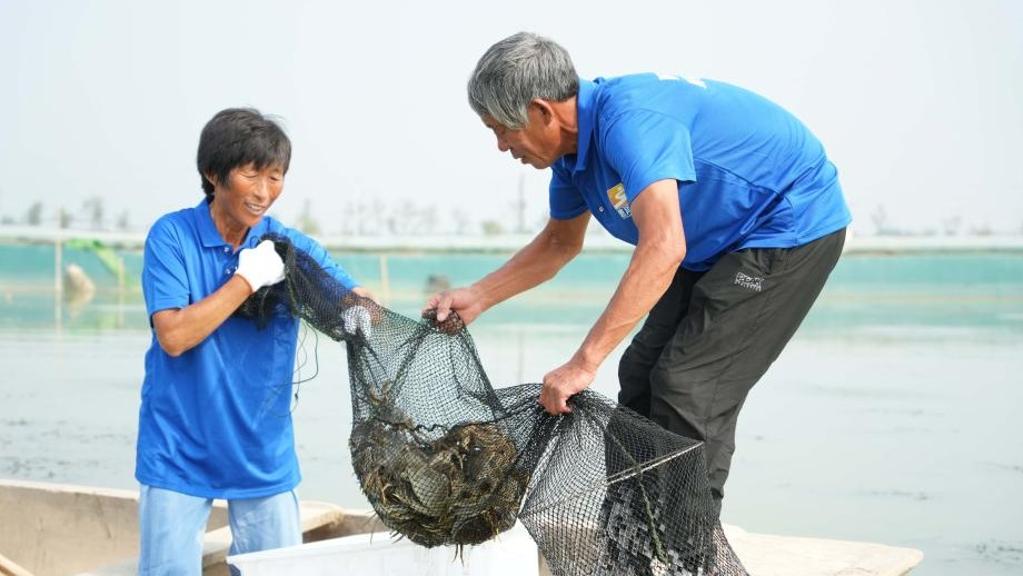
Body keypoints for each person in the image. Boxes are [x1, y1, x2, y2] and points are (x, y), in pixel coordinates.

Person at [425, 32, 851, 517]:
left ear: (543, 111)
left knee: (688, 386)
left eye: (502, 129)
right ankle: (631, 539)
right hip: (712, 241)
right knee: (641, 374)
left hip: (785, 225)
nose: (501, 146)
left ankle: (691, 553)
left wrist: (583, 363)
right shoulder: (571, 160)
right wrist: (479, 296)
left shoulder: (631, 123)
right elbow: (559, 244)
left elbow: (664, 245)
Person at [136, 108, 372, 575]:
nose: (264, 192)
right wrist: (246, 280)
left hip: (263, 450)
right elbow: (175, 336)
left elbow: (352, 297)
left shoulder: (286, 245)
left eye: (276, 176)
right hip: (178, 449)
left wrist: (361, 310)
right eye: (251, 174)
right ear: (212, 173)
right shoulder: (172, 237)